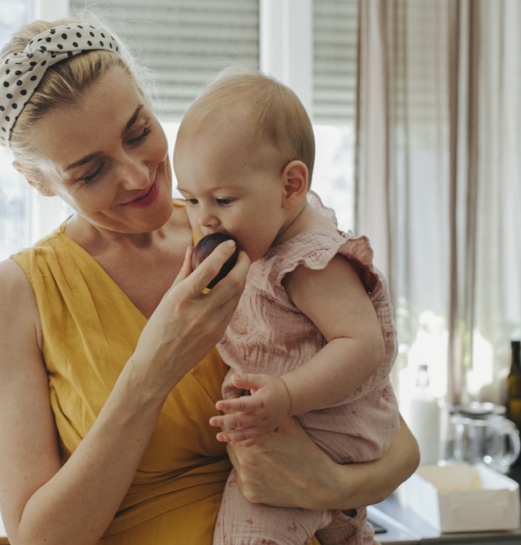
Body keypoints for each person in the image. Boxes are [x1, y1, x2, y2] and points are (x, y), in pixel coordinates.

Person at [0, 18, 419, 545]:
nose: (138, 176)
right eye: (90, 172)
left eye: (139, 132)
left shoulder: (250, 225)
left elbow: (395, 441)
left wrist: (329, 486)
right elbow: (38, 539)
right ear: (37, 181)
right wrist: (151, 369)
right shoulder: (14, 294)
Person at [173, 68, 400, 545]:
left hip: (320, 430)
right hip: (310, 428)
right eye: (190, 199)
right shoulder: (267, 233)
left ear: (291, 187)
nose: (203, 219)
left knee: (249, 521)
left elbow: (362, 344)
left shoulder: (308, 261)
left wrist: (287, 394)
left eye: (223, 199)